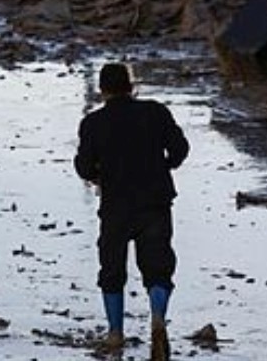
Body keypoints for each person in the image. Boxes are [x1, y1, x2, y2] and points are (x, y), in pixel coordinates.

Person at [74, 63, 189, 359]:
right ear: (131, 85)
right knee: (158, 266)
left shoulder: (93, 123)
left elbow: (84, 167)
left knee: (112, 269)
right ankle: (158, 319)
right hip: (155, 202)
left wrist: (100, 175)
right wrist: (163, 166)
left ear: (102, 91)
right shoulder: (156, 112)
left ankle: (115, 334)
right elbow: (180, 150)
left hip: (115, 206)